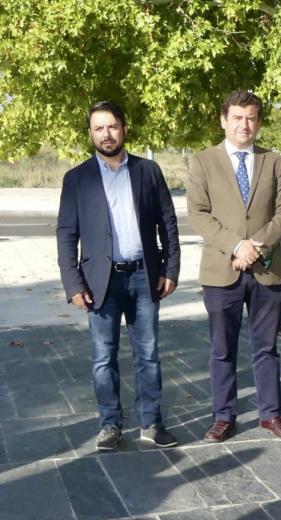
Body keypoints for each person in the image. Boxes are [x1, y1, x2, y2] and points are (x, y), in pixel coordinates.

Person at [56, 101, 181, 451]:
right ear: (90, 134)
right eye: (99, 128)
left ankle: (151, 423)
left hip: (144, 276)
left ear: (124, 128)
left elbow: (168, 223)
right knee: (103, 357)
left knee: (148, 354)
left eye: (112, 126)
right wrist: (73, 283)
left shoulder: (148, 171)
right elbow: (66, 234)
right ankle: (110, 424)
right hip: (100, 283)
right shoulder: (77, 179)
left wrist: (170, 268)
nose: (106, 134)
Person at [187, 90, 281, 443]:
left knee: (266, 348)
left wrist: (257, 245)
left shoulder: (275, 161)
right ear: (223, 120)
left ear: (259, 123)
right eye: (237, 117)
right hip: (222, 270)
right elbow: (198, 214)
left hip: (267, 270)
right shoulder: (203, 161)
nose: (244, 125)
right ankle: (223, 417)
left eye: (251, 118)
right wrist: (237, 245)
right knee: (222, 350)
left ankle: (271, 415)